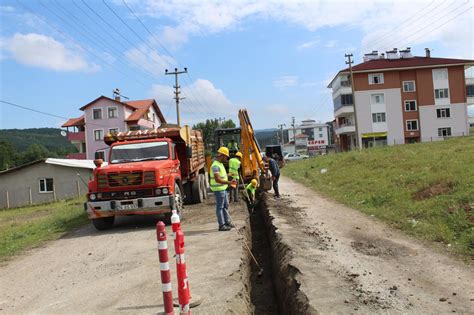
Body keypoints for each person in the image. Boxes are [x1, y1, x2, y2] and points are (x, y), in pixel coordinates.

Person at [210, 147, 236, 231]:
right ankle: (222, 225)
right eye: (225, 156)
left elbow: (222, 175)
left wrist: (229, 174)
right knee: (220, 207)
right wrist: (229, 182)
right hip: (219, 189)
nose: (226, 158)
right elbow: (217, 179)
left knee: (225, 206)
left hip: (223, 189)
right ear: (221, 155)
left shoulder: (220, 164)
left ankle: (227, 222)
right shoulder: (215, 165)